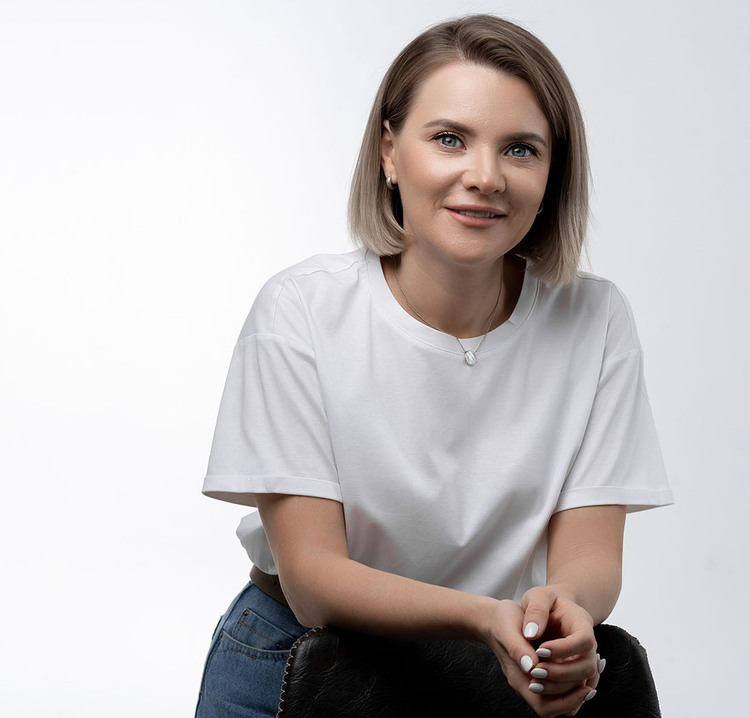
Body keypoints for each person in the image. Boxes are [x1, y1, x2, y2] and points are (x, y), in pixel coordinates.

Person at [195, 14, 672, 718]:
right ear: (389, 153)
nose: (484, 176)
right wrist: (483, 617)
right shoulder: (300, 311)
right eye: (450, 138)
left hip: (497, 667)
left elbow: (591, 556)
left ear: (552, 174)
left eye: (520, 149)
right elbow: (314, 579)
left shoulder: (594, 319)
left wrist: (563, 608)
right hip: (302, 659)